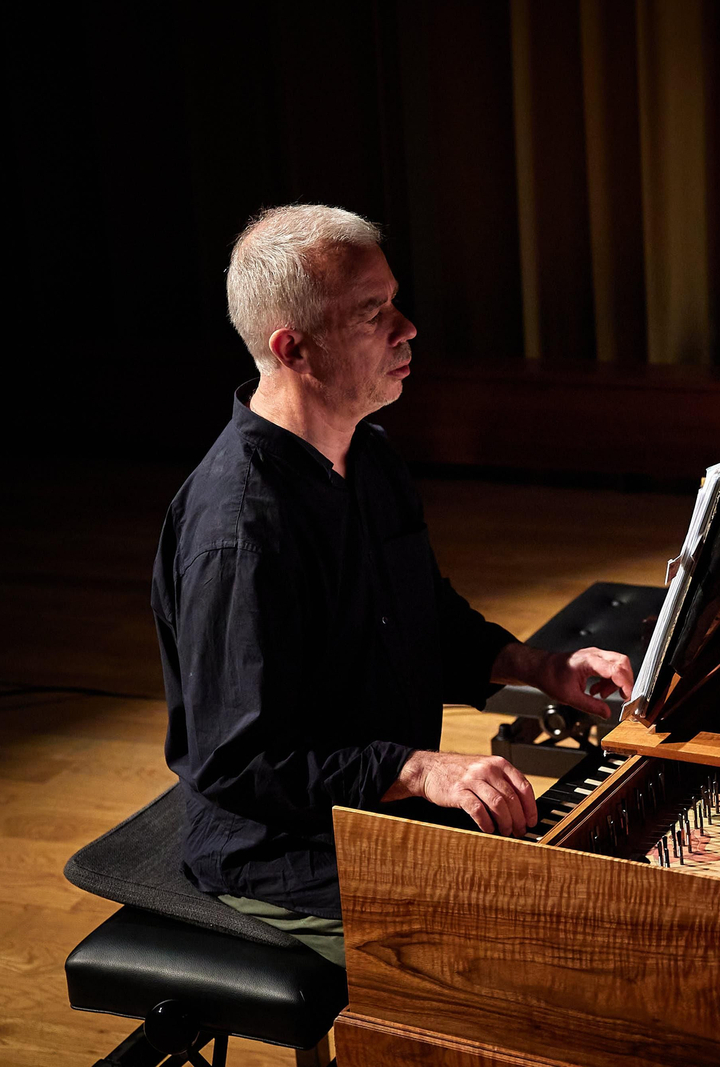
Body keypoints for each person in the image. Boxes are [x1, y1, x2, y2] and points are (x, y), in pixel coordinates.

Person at [151, 204, 634, 966]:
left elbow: (420, 615)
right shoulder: (237, 533)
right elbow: (238, 762)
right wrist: (418, 767)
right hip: (285, 855)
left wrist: (536, 667)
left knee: (600, 896)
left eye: (395, 301)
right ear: (295, 350)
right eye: (373, 313)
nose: (406, 328)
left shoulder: (367, 455)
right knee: (537, 958)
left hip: (376, 808)